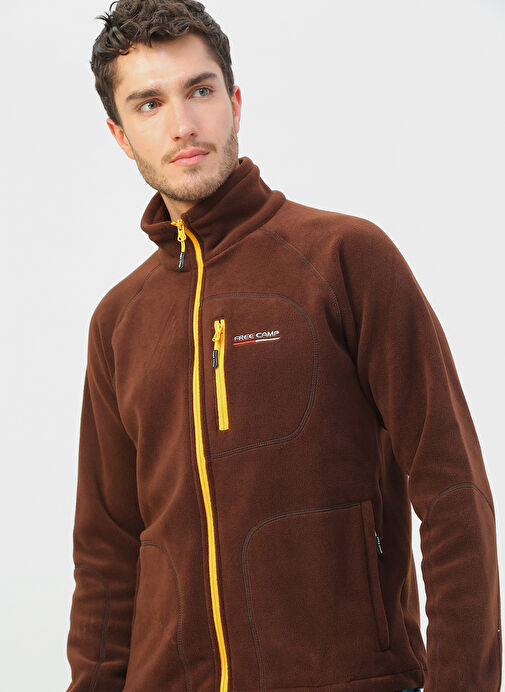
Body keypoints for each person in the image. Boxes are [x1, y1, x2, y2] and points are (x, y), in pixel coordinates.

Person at [65, 1, 502, 691]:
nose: (182, 125)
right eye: (149, 104)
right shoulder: (119, 320)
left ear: (234, 101)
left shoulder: (344, 257)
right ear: (120, 135)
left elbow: (453, 492)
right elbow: (106, 556)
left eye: (199, 90)